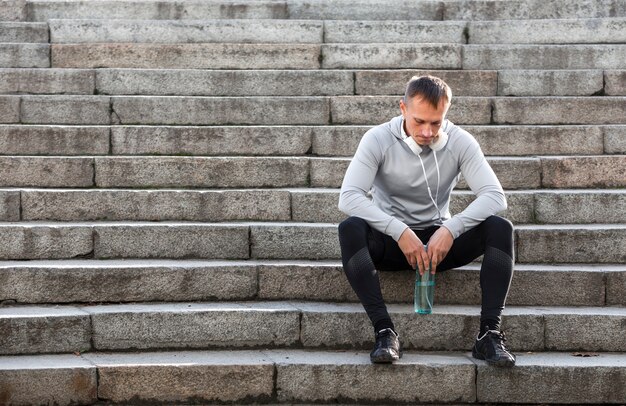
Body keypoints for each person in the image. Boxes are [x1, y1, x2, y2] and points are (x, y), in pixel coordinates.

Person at [337, 75, 516, 367]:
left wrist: (450, 229)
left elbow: (495, 196)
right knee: (350, 228)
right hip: (391, 243)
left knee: (500, 227)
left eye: (436, 123)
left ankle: (489, 335)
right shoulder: (378, 139)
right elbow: (349, 197)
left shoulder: (459, 141)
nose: (428, 132)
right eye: (420, 121)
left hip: (438, 245)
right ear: (402, 108)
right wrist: (398, 231)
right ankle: (384, 331)